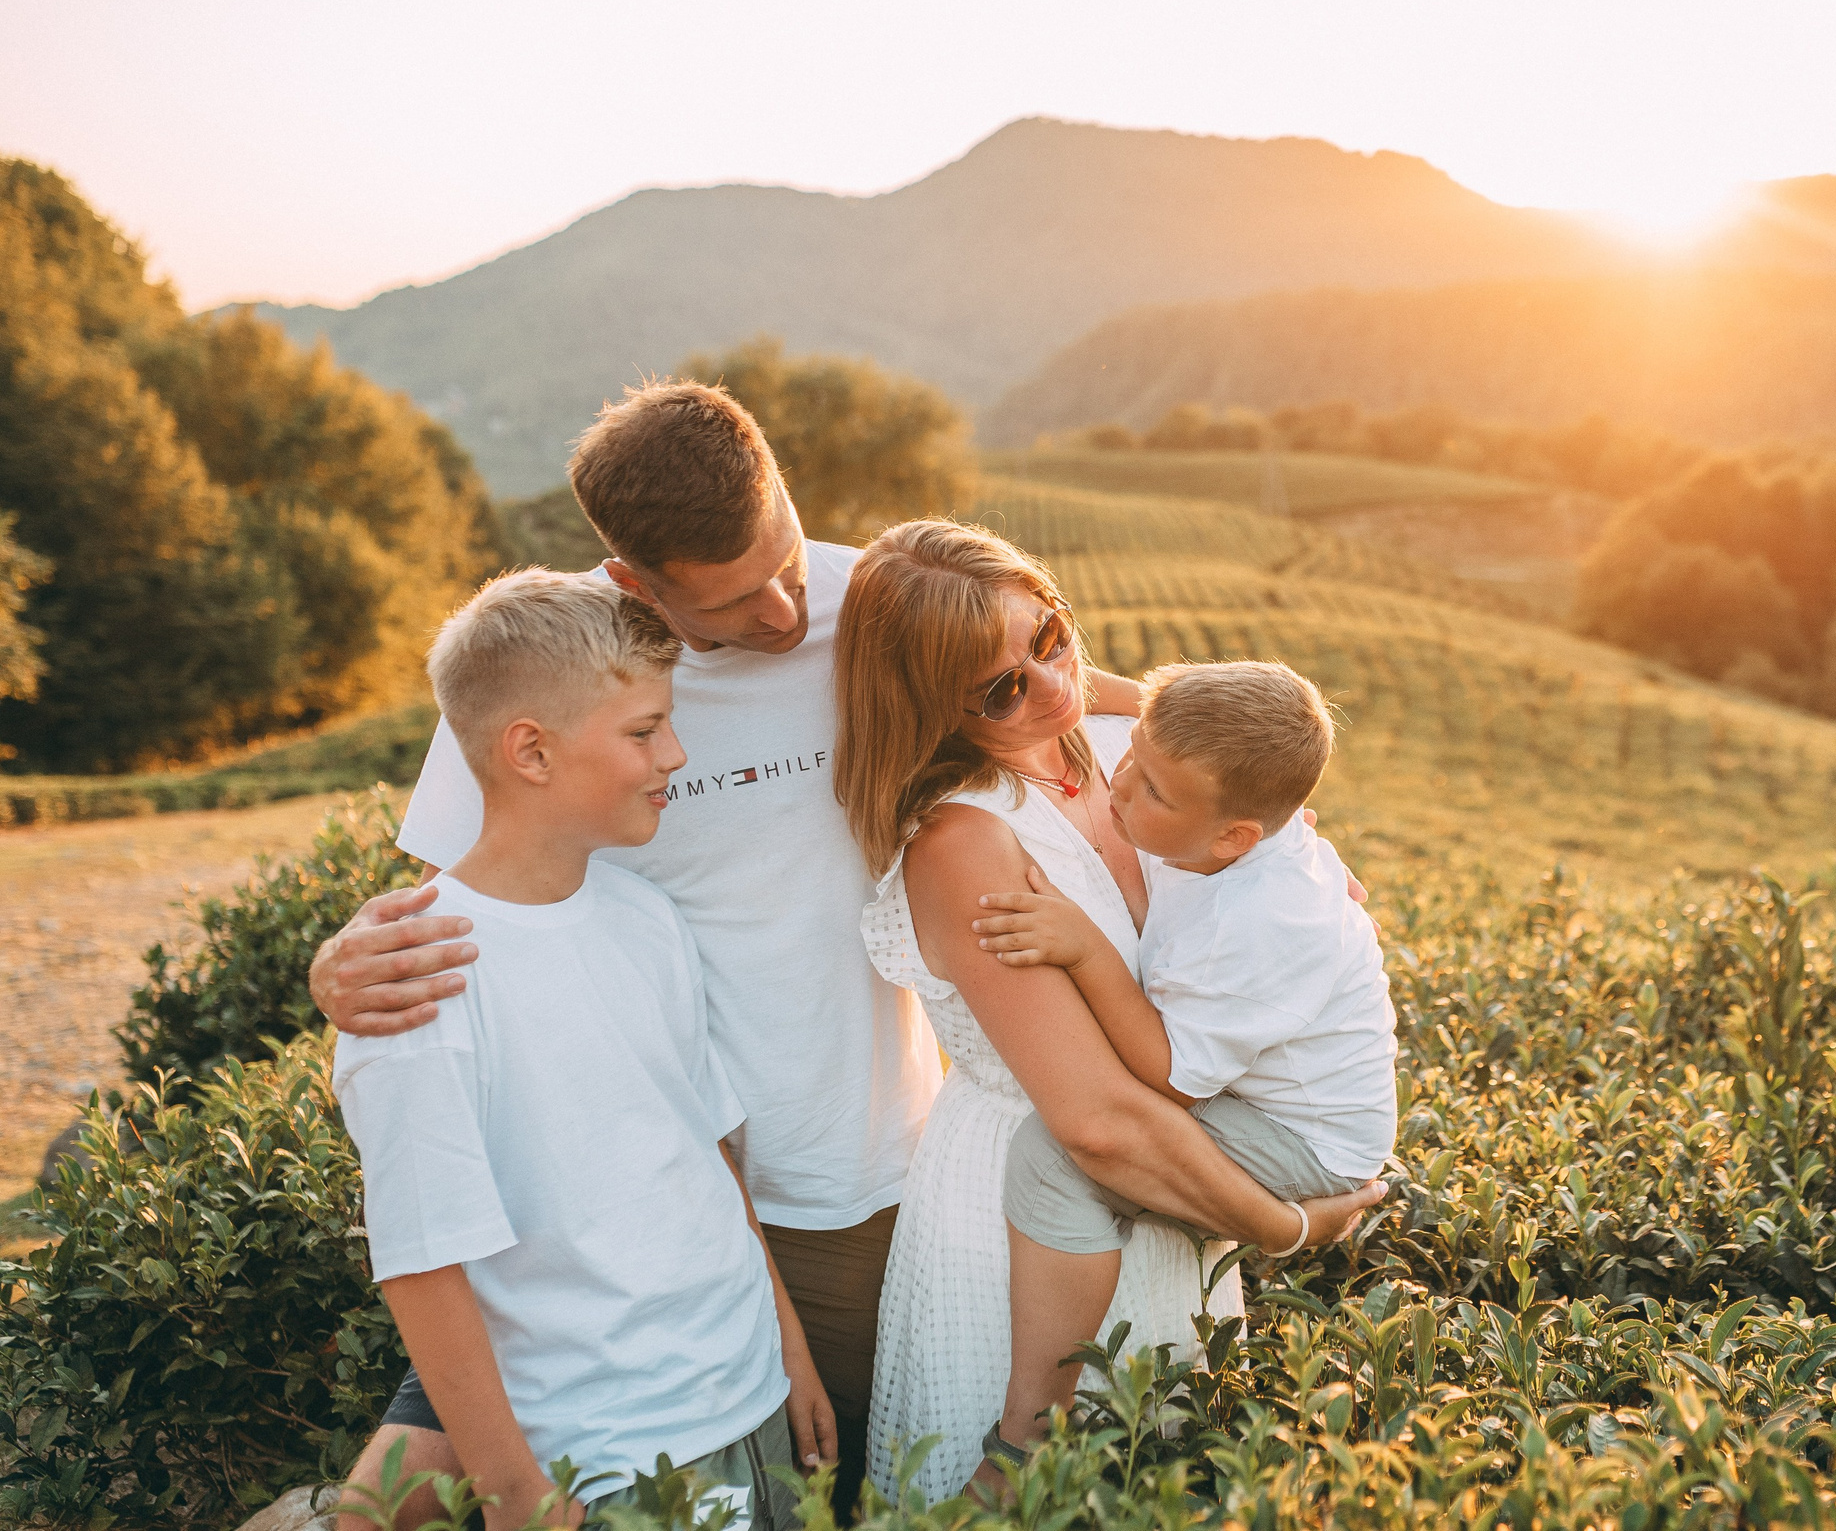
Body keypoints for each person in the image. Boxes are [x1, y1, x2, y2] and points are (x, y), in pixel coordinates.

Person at [315, 381, 1139, 1521]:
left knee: (829, 1483)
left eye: (788, 563)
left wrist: (1273, 828)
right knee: (385, 1501)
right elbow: (459, 901)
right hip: (603, 1207)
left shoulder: (877, 605)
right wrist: (342, 968)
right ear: (635, 583)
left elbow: (1062, 693)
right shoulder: (569, 664)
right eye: (735, 602)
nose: (784, 612)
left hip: (852, 1180)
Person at [836, 523, 1387, 1505]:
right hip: (1030, 1209)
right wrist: (1283, 1224)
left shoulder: (1124, 746)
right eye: (1000, 686)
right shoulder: (963, 839)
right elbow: (1089, 1119)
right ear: (928, 704)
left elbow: (1245, 784)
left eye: (1048, 634)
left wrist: (1293, 852)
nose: (1051, 688)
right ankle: (1016, 1438)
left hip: (1171, 1186)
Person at [334, 570, 829, 1531]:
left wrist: (790, 1347)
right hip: (609, 1454)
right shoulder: (417, 979)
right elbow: (424, 1265)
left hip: (753, 1398)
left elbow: (709, 1156)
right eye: (644, 731)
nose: (675, 755)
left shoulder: (647, 917)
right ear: (531, 750)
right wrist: (514, 1491)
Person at [972, 659, 1398, 1479]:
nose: (1119, 782)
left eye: (1154, 789)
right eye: (1130, 751)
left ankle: (1028, 1441)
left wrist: (1084, 946)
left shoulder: (1264, 916)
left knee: (1056, 1154)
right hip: (1255, 1097)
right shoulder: (1206, 829)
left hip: (1307, 1143)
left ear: (1236, 836)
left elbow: (1168, 1072)